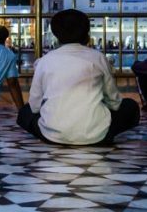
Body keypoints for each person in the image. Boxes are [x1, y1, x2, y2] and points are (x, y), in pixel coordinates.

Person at [17, 9, 140, 145]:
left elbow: (34, 106)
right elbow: (114, 102)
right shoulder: (97, 57)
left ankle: (60, 132)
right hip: (97, 135)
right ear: (86, 33)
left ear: (56, 34)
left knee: (25, 112)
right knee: (131, 107)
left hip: (51, 135)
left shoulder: (44, 61)